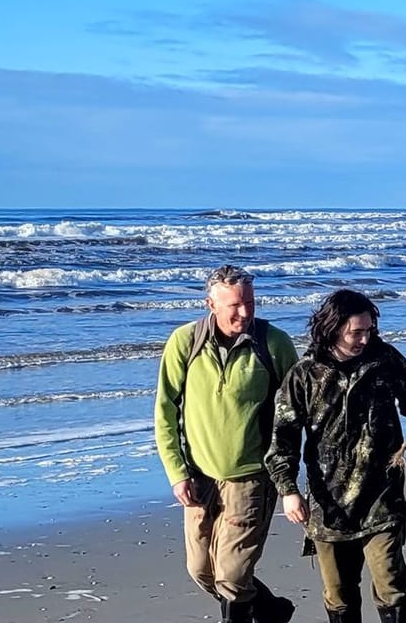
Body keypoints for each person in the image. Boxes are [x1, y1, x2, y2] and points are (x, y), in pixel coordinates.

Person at [267, 289, 406, 623]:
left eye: (369, 330)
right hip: (329, 504)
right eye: (357, 332)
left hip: (382, 497)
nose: (365, 338)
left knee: (392, 585)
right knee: (339, 593)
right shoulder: (304, 375)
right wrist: (288, 490)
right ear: (334, 328)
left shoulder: (384, 360)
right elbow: (283, 438)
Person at [154, 264, 301, 623]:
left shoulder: (274, 343)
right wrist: (177, 473)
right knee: (201, 571)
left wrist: (288, 483)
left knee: (232, 576)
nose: (245, 312)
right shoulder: (185, 342)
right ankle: (273, 611)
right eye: (234, 305)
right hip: (199, 478)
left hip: (251, 477)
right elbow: (165, 411)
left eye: (250, 302)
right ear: (211, 304)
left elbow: (297, 414)